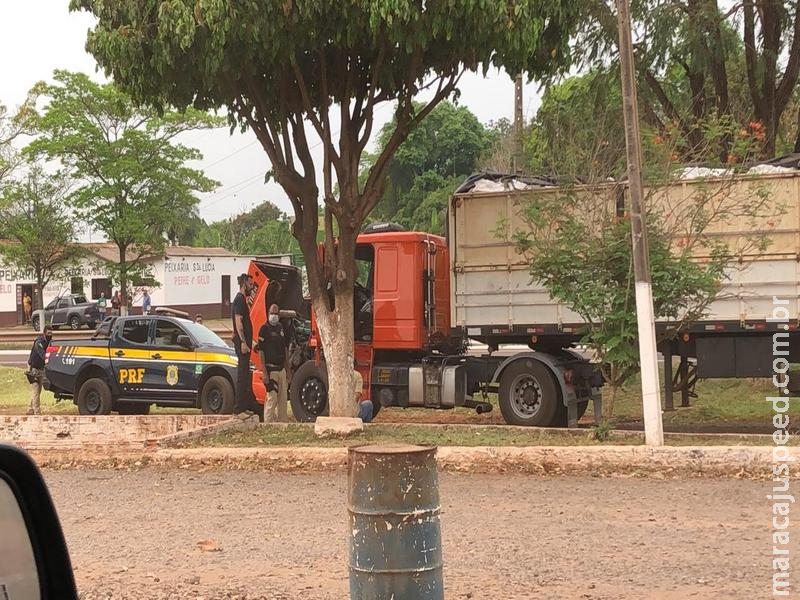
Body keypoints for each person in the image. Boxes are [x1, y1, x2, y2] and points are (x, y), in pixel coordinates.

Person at [256, 303, 291, 422]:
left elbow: (285, 348)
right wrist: (264, 372)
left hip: (281, 369)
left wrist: (288, 369)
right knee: (272, 398)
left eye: (276, 314)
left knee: (283, 399)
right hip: (271, 371)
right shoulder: (264, 329)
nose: (274, 316)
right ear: (268, 314)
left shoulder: (281, 328)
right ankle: (268, 423)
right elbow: (261, 351)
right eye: (272, 313)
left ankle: (282, 422)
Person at [231, 273, 255, 419]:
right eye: (251, 285)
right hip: (242, 344)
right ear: (244, 283)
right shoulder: (239, 300)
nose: (252, 288)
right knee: (242, 375)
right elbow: (238, 322)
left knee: (246, 375)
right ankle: (239, 409)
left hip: (244, 342)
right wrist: (243, 342)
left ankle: (244, 407)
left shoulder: (241, 300)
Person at [26, 325, 52, 415]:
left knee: (37, 391)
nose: (50, 335)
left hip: (41, 369)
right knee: (36, 391)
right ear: (44, 333)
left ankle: (30, 409)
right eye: (48, 333)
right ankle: (37, 412)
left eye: (51, 333)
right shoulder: (39, 342)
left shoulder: (48, 342)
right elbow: (43, 355)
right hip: (34, 369)